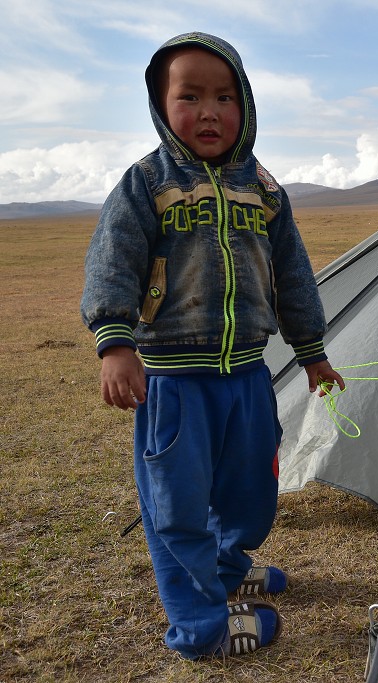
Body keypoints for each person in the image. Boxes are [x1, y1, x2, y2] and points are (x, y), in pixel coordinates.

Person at [80, 31, 345, 659]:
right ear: (160, 104)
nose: (208, 111)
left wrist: (313, 352)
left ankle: (229, 569)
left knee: (249, 493)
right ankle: (202, 626)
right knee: (176, 509)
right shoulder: (147, 183)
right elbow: (112, 260)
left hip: (247, 376)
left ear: (246, 106)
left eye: (225, 97)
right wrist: (116, 343)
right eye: (190, 96)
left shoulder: (264, 189)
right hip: (173, 381)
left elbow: (295, 277)